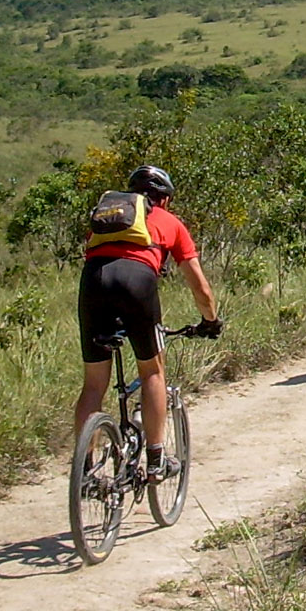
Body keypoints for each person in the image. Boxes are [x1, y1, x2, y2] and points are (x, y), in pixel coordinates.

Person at [76, 164, 220, 480]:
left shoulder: (109, 221)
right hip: (136, 281)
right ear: (164, 199)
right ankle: (156, 460)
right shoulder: (170, 222)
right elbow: (200, 288)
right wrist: (210, 320)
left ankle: (85, 472)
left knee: (94, 384)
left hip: (93, 282)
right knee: (152, 371)